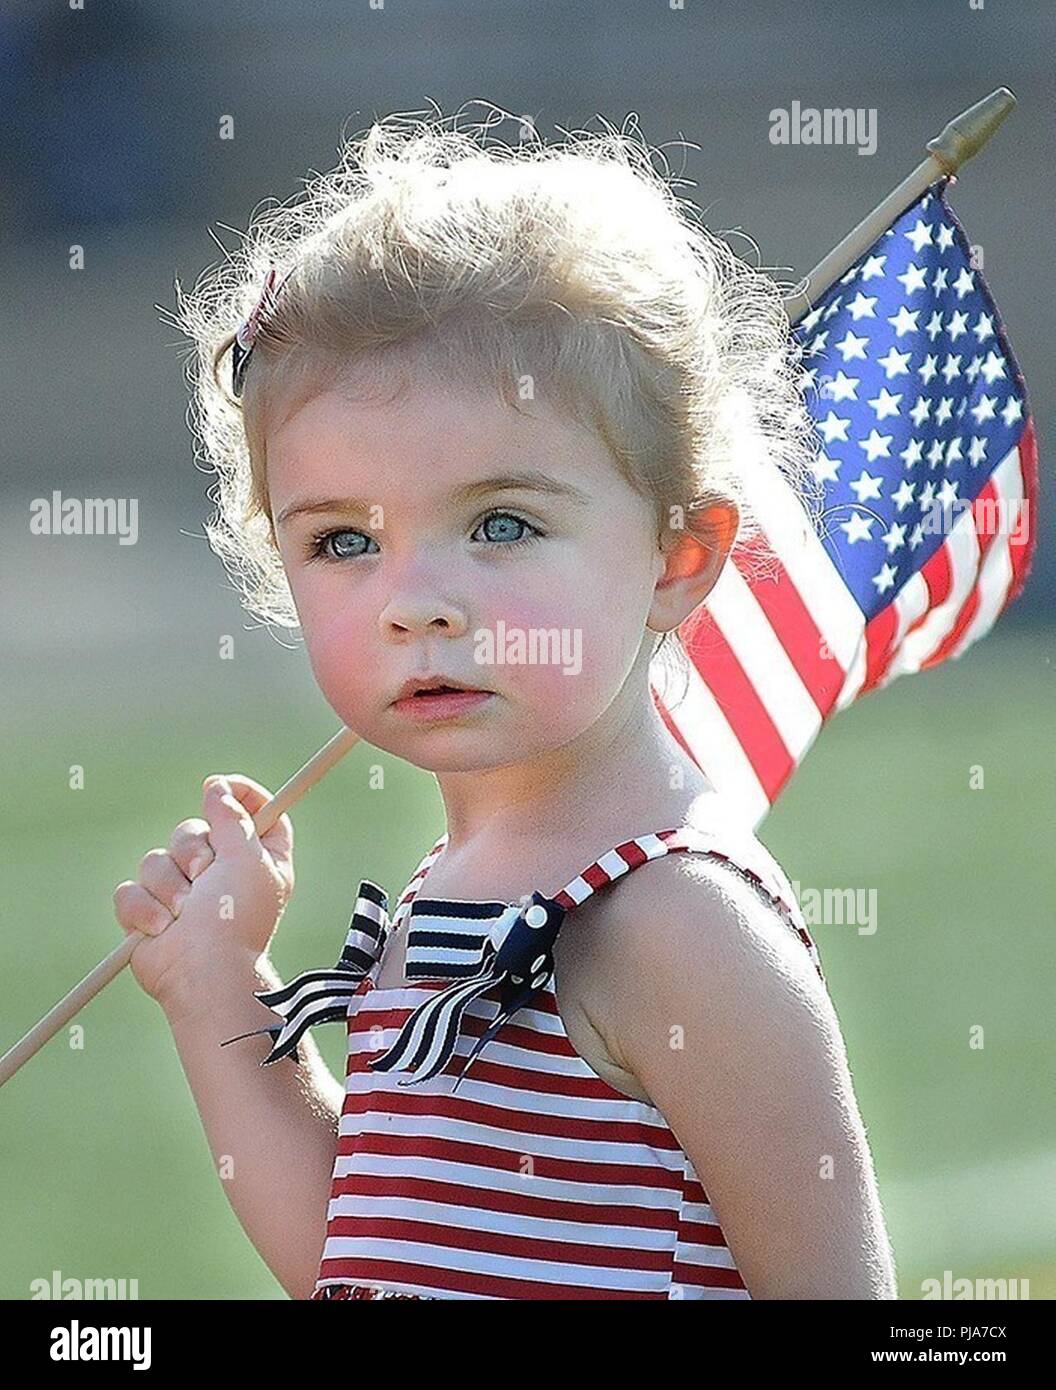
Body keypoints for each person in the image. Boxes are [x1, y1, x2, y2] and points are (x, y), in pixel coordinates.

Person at [113, 105, 896, 1300]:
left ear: (677, 558)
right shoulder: (444, 898)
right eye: (342, 542)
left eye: (503, 524)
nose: (415, 600)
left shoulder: (672, 921)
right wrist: (221, 988)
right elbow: (360, 1255)